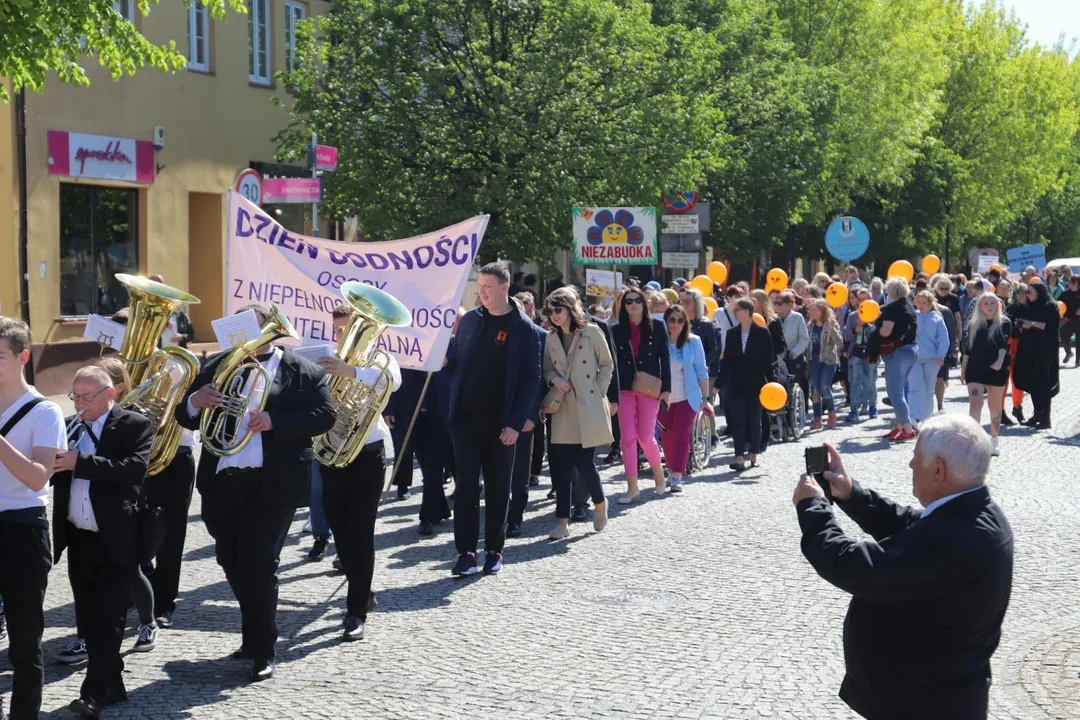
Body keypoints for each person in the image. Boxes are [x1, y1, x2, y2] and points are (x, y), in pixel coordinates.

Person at [793, 415, 1013, 720]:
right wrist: (850, 493)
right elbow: (910, 523)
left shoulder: (954, 537)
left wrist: (812, 507)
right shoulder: (975, 511)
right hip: (934, 693)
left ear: (938, 470)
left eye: (916, 457)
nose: (910, 465)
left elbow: (853, 566)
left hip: (924, 703)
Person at [176, 304, 335, 680]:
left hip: (273, 484)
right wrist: (195, 402)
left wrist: (274, 420)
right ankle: (255, 631)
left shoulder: (302, 370)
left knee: (260, 564)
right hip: (224, 479)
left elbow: (325, 415)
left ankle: (263, 648)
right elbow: (185, 414)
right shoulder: (219, 365)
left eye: (256, 327)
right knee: (229, 558)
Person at [52, 366, 153, 716]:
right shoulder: (68, 426)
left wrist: (80, 462)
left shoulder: (134, 424)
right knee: (89, 616)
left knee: (109, 617)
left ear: (110, 394)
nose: (79, 403)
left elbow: (133, 470)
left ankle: (93, 692)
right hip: (78, 537)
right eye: (75, 396)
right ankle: (114, 683)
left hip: (116, 537)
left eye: (87, 396)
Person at [445, 262, 541, 577]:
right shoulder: (471, 320)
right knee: (467, 486)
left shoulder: (522, 326)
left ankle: (493, 550)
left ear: (504, 287)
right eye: (479, 286)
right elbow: (457, 361)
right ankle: (466, 552)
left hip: (502, 423)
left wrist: (517, 423)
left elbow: (531, 378)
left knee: (499, 487)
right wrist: (443, 359)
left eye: (488, 286)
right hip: (466, 419)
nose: (482, 292)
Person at [313, 304, 402, 641]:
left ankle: (355, 612)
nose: (340, 336)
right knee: (336, 523)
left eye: (344, 329)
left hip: (367, 454)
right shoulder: (324, 357)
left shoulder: (380, 359)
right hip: (332, 454)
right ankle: (361, 590)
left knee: (361, 532)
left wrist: (350, 372)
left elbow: (393, 382)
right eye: (336, 330)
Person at [0, 317, 66, 720]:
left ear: (23, 357)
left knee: (24, 641)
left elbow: (38, 476)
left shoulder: (45, 412)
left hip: (22, 528)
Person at [95, 357, 159, 653]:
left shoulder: (135, 417)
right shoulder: (86, 415)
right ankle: (88, 634)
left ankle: (148, 622)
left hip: (124, 501)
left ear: (118, 387)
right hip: (91, 505)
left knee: (130, 569)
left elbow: (134, 465)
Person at [542, 288, 613, 539]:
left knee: (584, 463)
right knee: (560, 467)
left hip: (587, 407)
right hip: (562, 409)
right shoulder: (550, 338)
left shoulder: (592, 332)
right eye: (549, 311)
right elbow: (547, 370)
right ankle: (562, 521)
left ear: (570, 309)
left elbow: (607, 364)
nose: (554, 315)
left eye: (558, 309)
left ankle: (600, 504)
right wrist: (555, 381)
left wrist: (597, 392)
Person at [610, 287, 670, 502]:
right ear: (622, 306)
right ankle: (632, 487)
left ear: (644, 303)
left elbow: (665, 358)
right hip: (624, 387)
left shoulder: (658, 325)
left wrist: (666, 390)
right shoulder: (616, 330)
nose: (633, 304)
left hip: (649, 386)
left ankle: (659, 476)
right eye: (628, 301)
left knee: (645, 436)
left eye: (637, 300)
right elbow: (612, 365)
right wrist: (612, 396)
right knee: (627, 437)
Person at [717, 299, 775, 472]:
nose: (735, 312)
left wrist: (772, 384)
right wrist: (719, 383)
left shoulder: (763, 333)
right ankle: (739, 458)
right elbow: (726, 361)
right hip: (736, 384)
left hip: (757, 385)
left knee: (754, 421)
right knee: (738, 422)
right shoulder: (732, 333)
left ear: (748, 311)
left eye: (738, 309)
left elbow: (768, 362)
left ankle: (754, 456)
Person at [658, 305, 709, 491]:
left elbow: (701, 369)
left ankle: (677, 474)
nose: (676, 324)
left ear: (685, 322)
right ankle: (671, 467)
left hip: (688, 397)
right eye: (672, 320)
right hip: (663, 397)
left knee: (681, 434)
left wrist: (705, 396)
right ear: (666, 321)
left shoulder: (693, 342)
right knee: (666, 435)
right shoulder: (659, 341)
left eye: (680, 320)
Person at [961, 294, 1011, 456]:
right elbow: (968, 350)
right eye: (985, 303)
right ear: (980, 306)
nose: (989, 305)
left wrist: (999, 361)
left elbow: (1004, 345)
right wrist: (963, 371)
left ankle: (994, 440)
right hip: (975, 369)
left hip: (996, 369)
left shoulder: (1004, 322)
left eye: (992, 303)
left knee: (994, 406)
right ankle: (974, 441)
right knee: (975, 404)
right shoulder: (974, 324)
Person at [874, 278, 918, 442]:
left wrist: (875, 326)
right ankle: (899, 425)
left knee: (895, 393)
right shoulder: (910, 306)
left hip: (897, 353)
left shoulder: (891, 309)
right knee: (899, 390)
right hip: (912, 350)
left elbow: (886, 332)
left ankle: (907, 428)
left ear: (890, 291)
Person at [1013, 282, 1060, 430]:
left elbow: (1051, 326)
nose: (1027, 295)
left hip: (1045, 350)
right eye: (1026, 292)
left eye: (1030, 292)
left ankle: (1046, 418)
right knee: (1032, 380)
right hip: (1029, 348)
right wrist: (1020, 324)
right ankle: (1037, 413)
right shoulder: (1029, 307)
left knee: (1044, 382)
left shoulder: (1050, 306)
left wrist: (1032, 323)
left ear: (1039, 293)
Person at [909, 291, 949, 426]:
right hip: (915, 357)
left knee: (928, 389)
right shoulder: (913, 316)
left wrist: (941, 354)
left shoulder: (937, 318)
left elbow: (944, 338)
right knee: (914, 387)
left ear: (931, 304)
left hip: (932, 358)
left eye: (923, 303)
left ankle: (926, 418)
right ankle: (913, 417)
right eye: (918, 302)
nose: (920, 305)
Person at [806, 301, 843, 429]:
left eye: (816, 310)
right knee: (815, 389)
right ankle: (817, 418)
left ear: (823, 311)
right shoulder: (810, 325)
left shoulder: (831, 324)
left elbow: (840, 343)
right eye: (812, 310)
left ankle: (832, 413)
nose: (813, 312)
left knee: (825, 386)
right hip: (814, 360)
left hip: (829, 361)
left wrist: (832, 329)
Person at [843, 297, 878, 421]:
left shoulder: (876, 314)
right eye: (861, 299)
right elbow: (846, 336)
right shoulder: (852, 316)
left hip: (870, 354)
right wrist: (855, 329)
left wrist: (867, 325)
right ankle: (854, 410)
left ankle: (873, 407)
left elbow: (878, 335)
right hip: (856, 354)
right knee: (854, 383)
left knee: (870, 382)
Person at [777, 291, 810, 416]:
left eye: (780, 303)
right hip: (779, 357)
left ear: (789, 304)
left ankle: (803, 410)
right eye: (775, 303)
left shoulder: (797, 318)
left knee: (799, 381)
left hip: (794, 356)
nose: (777, 306)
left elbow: (804, 338)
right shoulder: (774, 318)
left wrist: (795, 352)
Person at [1059, 274, 1080, 366]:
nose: (1068, 283)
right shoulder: (1065, 293)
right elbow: (1058, 303)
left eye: (1070, 281)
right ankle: (1069, 352)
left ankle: (1078, 360)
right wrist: (1061, 316)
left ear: (1075, 283)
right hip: (1067, 320)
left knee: (1079, 341)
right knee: (1063, 336)